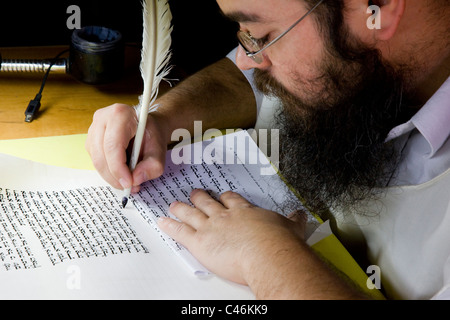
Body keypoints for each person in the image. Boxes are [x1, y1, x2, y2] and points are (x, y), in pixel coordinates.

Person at [85, 0, 450, 299]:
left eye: (261, 35)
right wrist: (162, 118)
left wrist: (264, 253)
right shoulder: (335, 48)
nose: (246, 58)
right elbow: (242, 78)